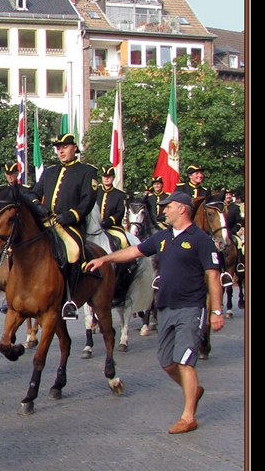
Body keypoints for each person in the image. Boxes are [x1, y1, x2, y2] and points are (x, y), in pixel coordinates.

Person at [84, 192, 223, 434]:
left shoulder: (201, 240)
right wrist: (105, 259)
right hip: (166, 306)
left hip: (191, 307)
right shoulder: (163, 237)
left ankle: (188, 416)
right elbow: (134, 252)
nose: (163, 211)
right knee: (167, 362)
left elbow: (212, 276)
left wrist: (217, 311)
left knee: (185, 360)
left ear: (181, 208)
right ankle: (193, 390)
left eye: (167, 207)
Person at [27, 133, 98, 319]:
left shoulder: (87, 172)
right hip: (46, 224)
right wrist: (38, 206)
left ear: (74, 147)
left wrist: (68, 217)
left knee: (73, 251)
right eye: (58, 148)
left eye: (64, 147)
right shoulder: (49, 172)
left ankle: (70, 300)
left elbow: (87, 201)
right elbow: (33, 193)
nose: (61, 151)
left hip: (70, 225)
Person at [96, 165, 129, 249]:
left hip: (112, 227)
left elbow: (120, 212)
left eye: (109, 176)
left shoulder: (119, 195)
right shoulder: (95, 192)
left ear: (113, 178)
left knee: (123, 241)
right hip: (94, 226)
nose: (106, 179)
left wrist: (108, 221)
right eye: (104, 176)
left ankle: (126, 261)